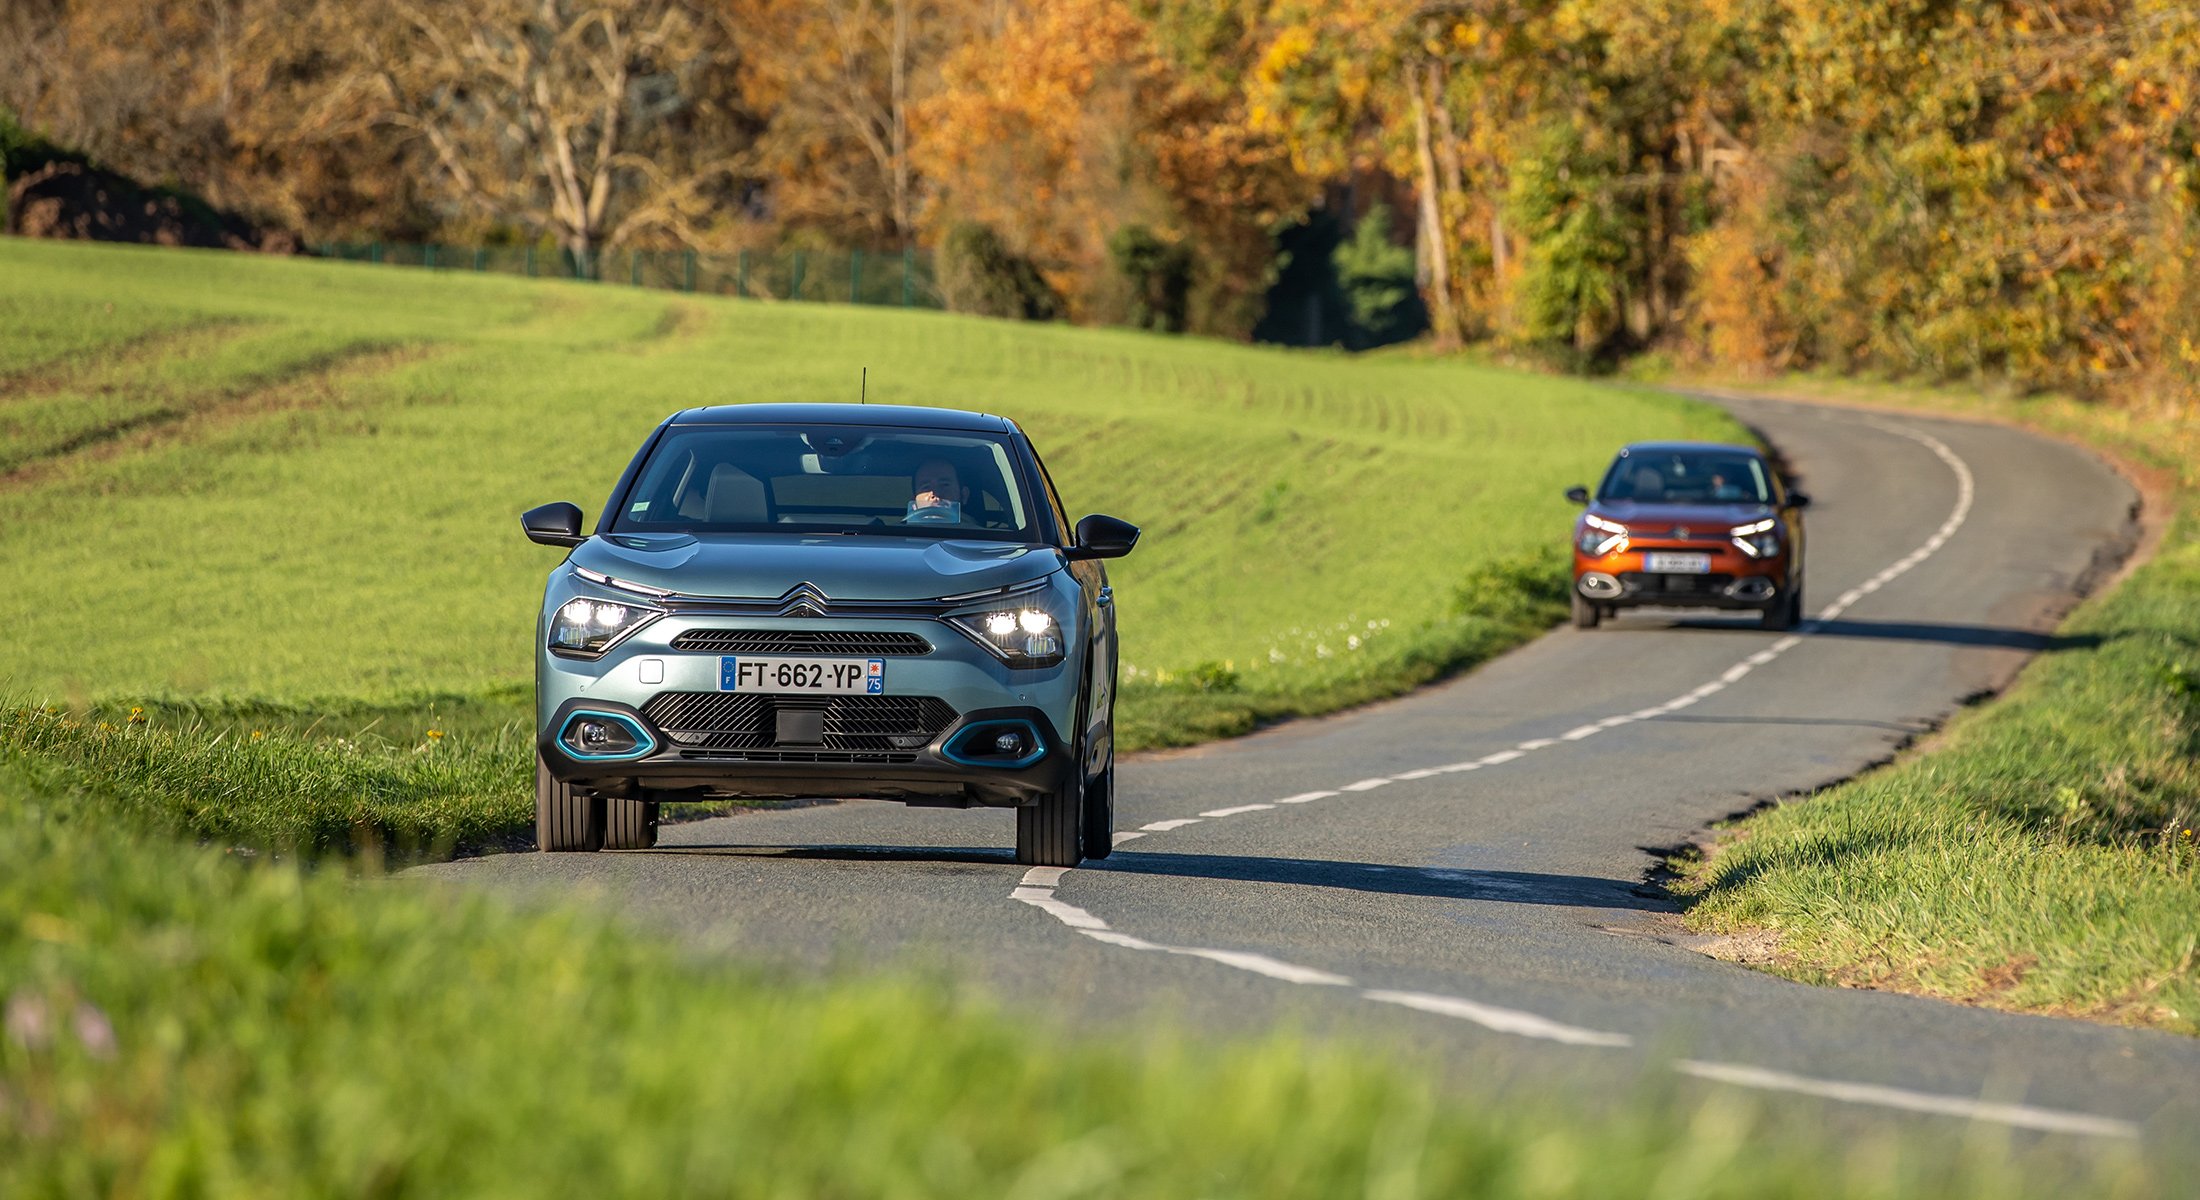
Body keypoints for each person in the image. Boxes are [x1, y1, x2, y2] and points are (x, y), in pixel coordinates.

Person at [907, 457, 969, 523]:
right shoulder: (898, 531)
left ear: (964, 495)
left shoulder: (977, 532)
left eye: (944, 485)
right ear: (914, 501)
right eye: (926, 487)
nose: (936, 493)